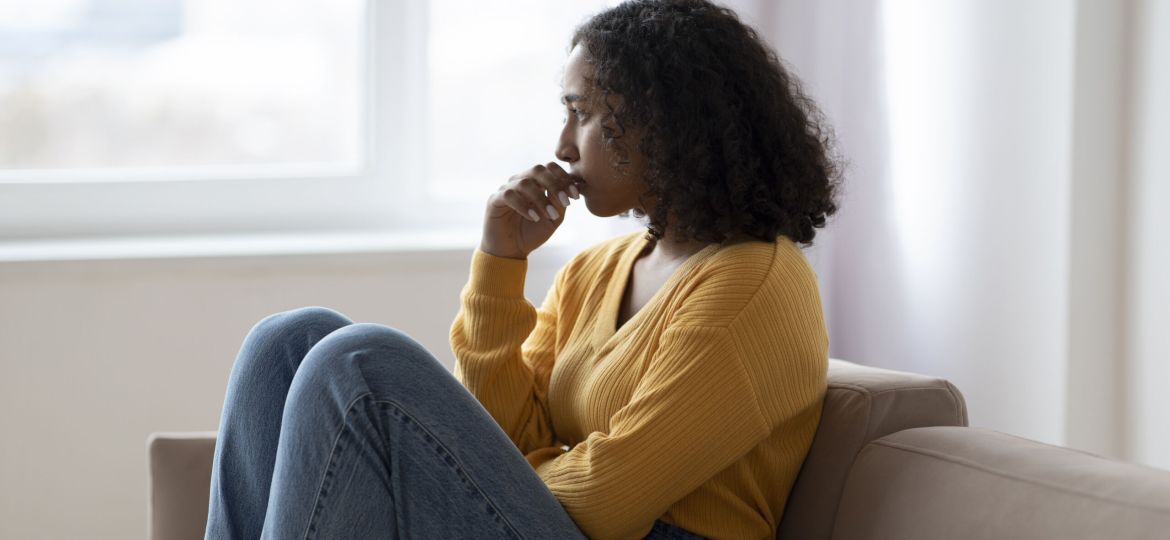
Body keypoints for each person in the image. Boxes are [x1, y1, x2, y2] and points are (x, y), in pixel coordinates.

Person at [203, 0, 840, 538]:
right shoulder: (598, 269)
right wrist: (501, 265)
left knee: (361, 363)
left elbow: (608, 502)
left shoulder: (754, 284)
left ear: (669, 126)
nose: (563, 144)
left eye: (583, 113)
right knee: (289, 338)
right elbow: (503, 430)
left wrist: (488, 466)